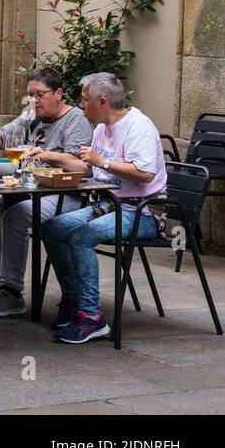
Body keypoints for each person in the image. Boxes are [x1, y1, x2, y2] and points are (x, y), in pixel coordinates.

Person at [41, 72, 168, 345]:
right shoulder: (101, 127)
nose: (80, 105)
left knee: (82, 236)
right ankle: (74, 298)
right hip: (106, 207)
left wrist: (104, 163)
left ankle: (90, 318)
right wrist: (49, 156)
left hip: (143, 213)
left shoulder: (138, 126)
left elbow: (144, 173)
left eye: (85, 100)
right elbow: (88, 168)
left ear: (102, 102)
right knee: (51, 227)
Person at [0, 68, 94, 317]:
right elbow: (6, 130)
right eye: (30, 95)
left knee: (16, 215)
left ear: (58, 93)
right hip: (31, 188)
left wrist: (48, 155)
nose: (34, 101)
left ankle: (12, 291)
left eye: (40, 94)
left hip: (67, 194)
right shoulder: (32, 115)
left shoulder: (75, 120)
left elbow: (83, 168)